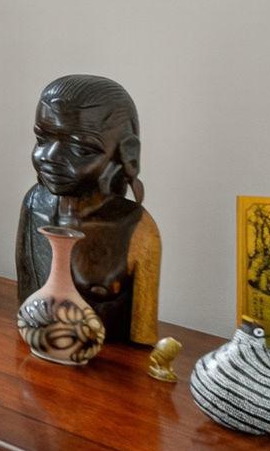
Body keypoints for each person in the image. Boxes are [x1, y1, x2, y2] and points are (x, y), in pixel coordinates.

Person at [15, 75, 162, 345]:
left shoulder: (136, 228)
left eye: (81, 149)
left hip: (107, 367)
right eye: (42, 139)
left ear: (126, 153)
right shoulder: (35, 203)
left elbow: (143, 336)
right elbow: (25, 303)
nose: (49, 157)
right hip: (37, 351)